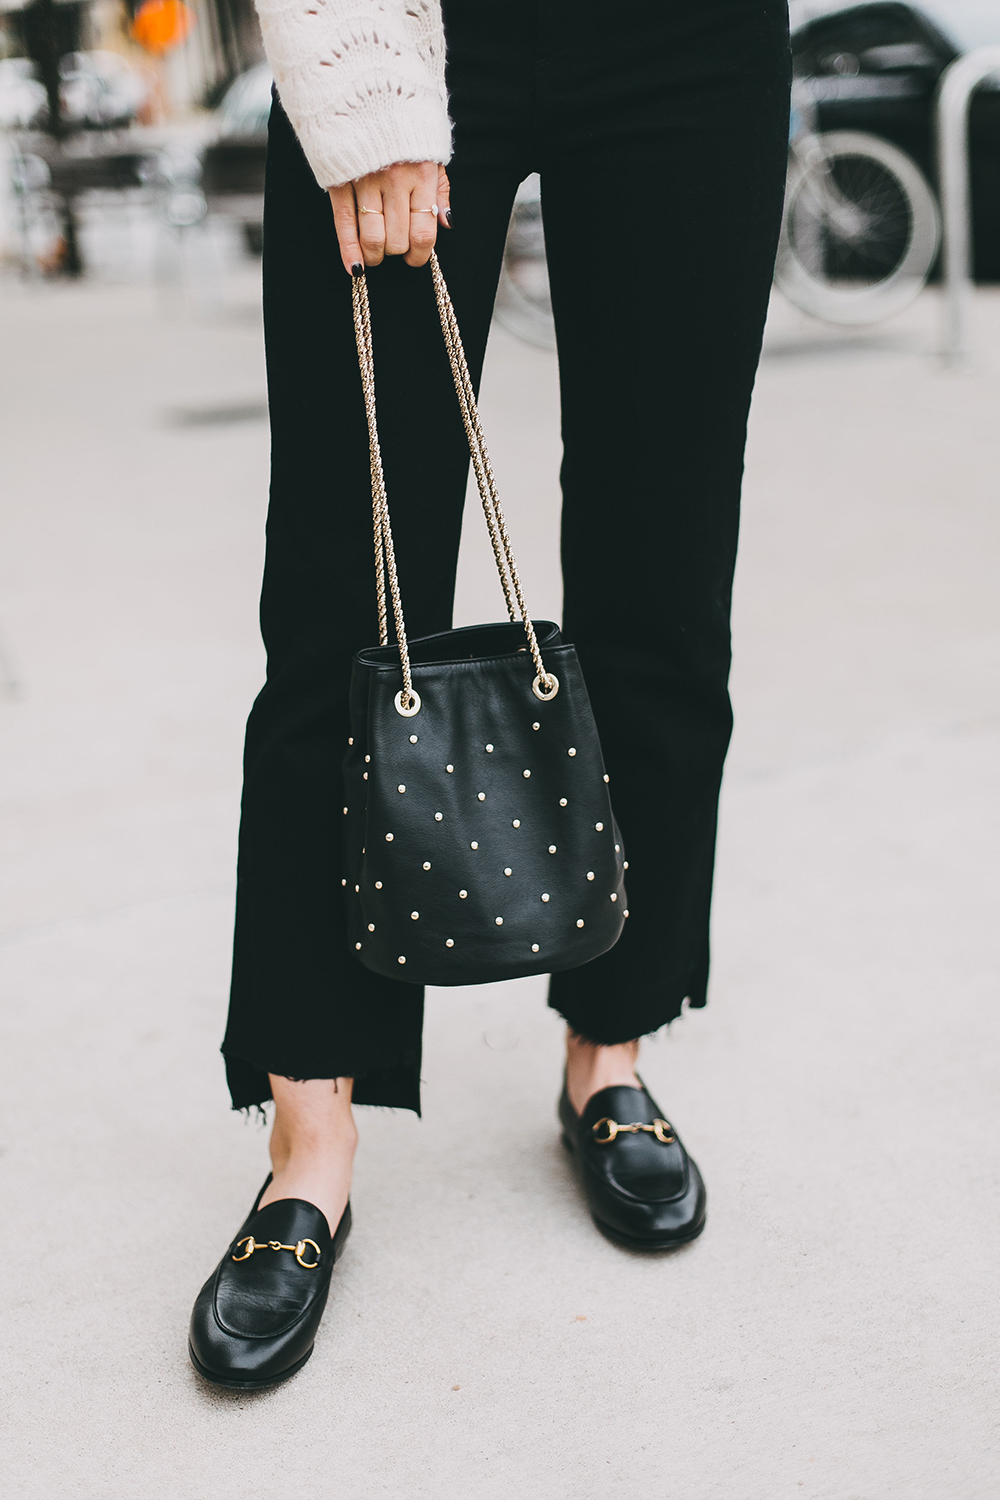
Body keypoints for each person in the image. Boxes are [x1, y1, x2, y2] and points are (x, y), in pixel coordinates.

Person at [188, 0, 791, 1389]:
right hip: (419, 30)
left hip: (692, 43)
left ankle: (611, 1053)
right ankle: (311, 1140)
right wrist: (362, 90)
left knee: (665, 572)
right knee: (351, 592)